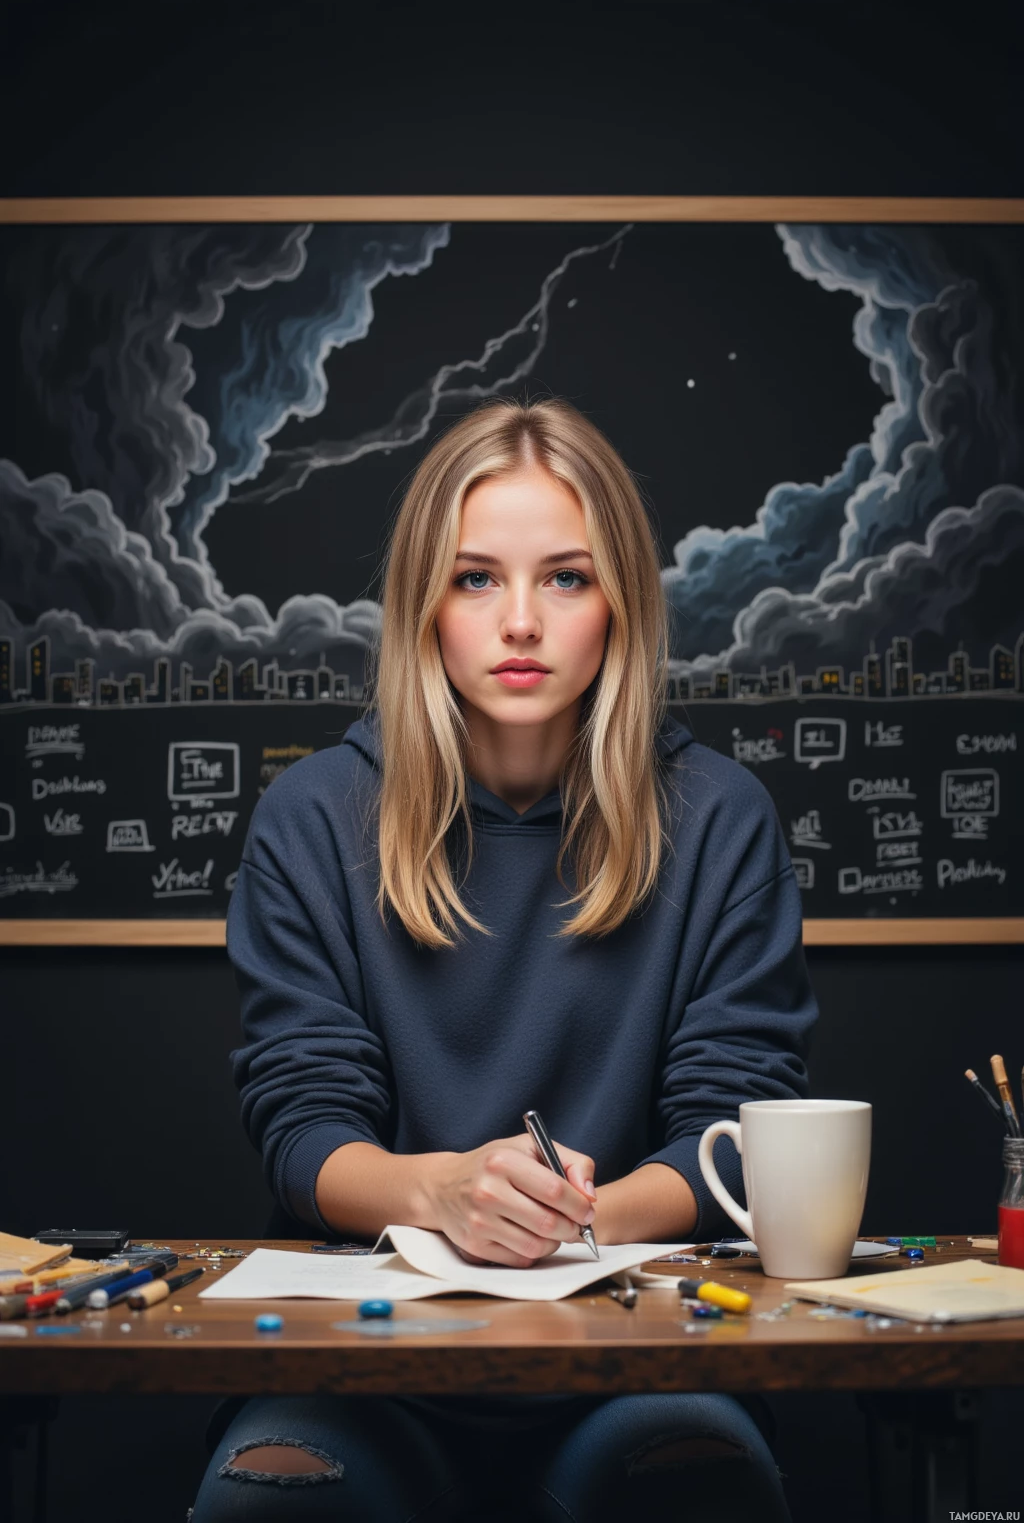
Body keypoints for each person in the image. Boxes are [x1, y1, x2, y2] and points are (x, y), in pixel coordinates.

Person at [188, 395, 817, 1522]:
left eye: (565, 577)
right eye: (477, 577)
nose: (519, 620)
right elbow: (301, 1123)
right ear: (422, 604)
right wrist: (438, 1191)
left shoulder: (722, 817)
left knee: (693, 1492)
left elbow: (729, 1118)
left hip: (634, 1348)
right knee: (270, 1507)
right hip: (366, 1361)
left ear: (619, 602)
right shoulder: (313, 814)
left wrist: (585, 1219)